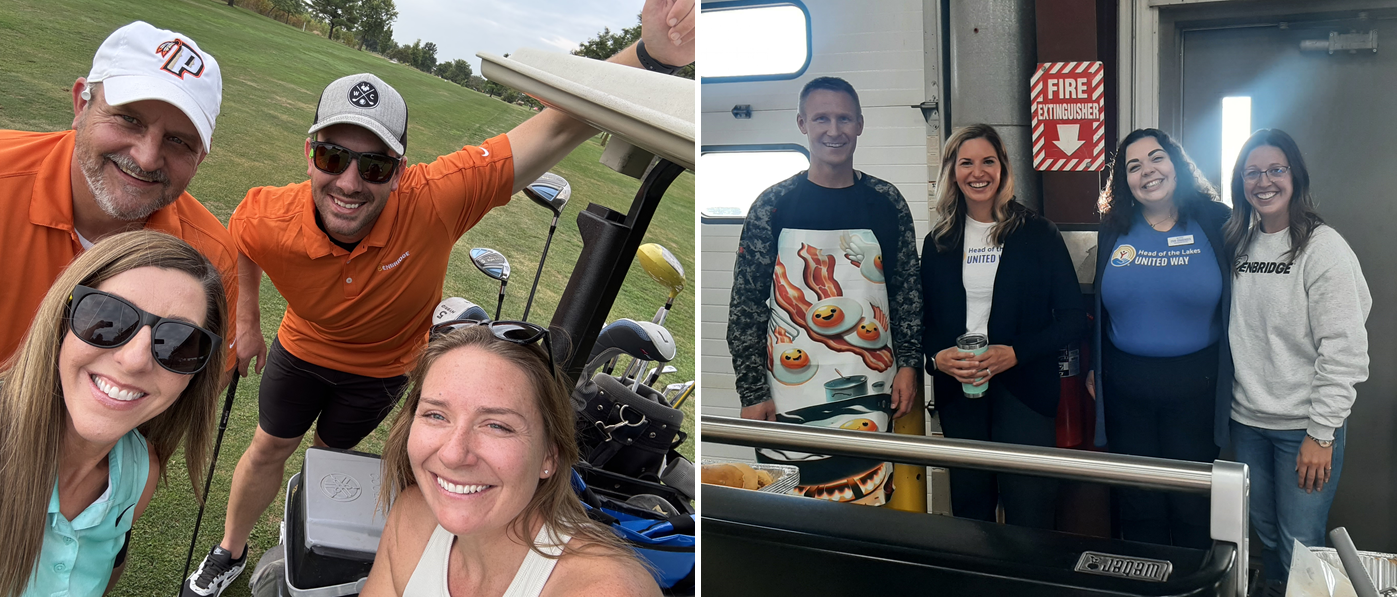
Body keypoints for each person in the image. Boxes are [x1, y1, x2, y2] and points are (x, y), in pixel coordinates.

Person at [183, 2, 694, 593]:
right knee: (269, 445)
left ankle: (302, 527)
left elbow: (558, 123)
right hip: (304, 348)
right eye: (332, 157)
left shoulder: (436, 197)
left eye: (374, 166)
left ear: (400, 170)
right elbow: (242, 238)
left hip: (383, 370)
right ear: (309, 154)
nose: (349, 182)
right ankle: (230, 549)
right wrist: (247, 319)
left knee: (329, 456)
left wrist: (651, 52)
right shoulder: (270, 212)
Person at [727, 76, 923, 506]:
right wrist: (752, 391)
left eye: (844, 119)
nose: (833, 130)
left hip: (871, 383)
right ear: (802, 123)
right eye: (821, 118)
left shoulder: (886, 202)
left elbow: (908, 291)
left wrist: (908, 364)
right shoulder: (773, 204)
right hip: (784, 390)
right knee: (786, 506)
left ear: (860, 125)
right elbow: (745, 303)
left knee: (864, 498)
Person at [0, 230, 228, 597]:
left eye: (176, 342)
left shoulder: (139, 473)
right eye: (109, 317)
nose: (134, 359)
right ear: (62, 321)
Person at [0, 21, 238, 366]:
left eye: (178, 140)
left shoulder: (211, 256)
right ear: (81, 106)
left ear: (200, 155)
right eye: (129, 119)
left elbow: (193, 393)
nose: (146, 157)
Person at [361, 324, 658, 597]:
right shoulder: (412, 516)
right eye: (436, 415)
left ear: (549, 455)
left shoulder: (607, 590)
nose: (453, 455)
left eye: (497, 426)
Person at [1222, 129, 1370, 589]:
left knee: (1300, 544)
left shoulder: (1322, 248)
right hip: (1247, 424)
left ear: (1295, 176)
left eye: (1275, 170)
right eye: (1252, 172)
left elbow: (1344, 348)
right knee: (1265, 539)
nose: (1263, 181)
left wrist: (1321, 434)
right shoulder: (1238, 244)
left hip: (1303, 430)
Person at [920, 124, 1086, 528]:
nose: (978, 172)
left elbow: (1072, 320)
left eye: (988, 161)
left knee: (1030, 514)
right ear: (952, 172)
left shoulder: (1038, 234)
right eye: (966, 163)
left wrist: (1016, 353)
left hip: (1025, 392)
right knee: (970, 514)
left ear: (1003, 168)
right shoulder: (939, 241)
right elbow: (923, 321)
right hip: (961, 395)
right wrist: (936, 358)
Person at [1090, 128, 1232, 548]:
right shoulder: (1113, 229)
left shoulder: (1215, 220)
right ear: (1125, 181)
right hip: (1125, 390)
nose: (1147, 171)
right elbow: (1100, 309)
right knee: (1138, 504)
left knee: (1192, 506)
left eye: (1157, 158)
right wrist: (1097, 368)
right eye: (1134, 166)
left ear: (1176, 165)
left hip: (1197, 389)